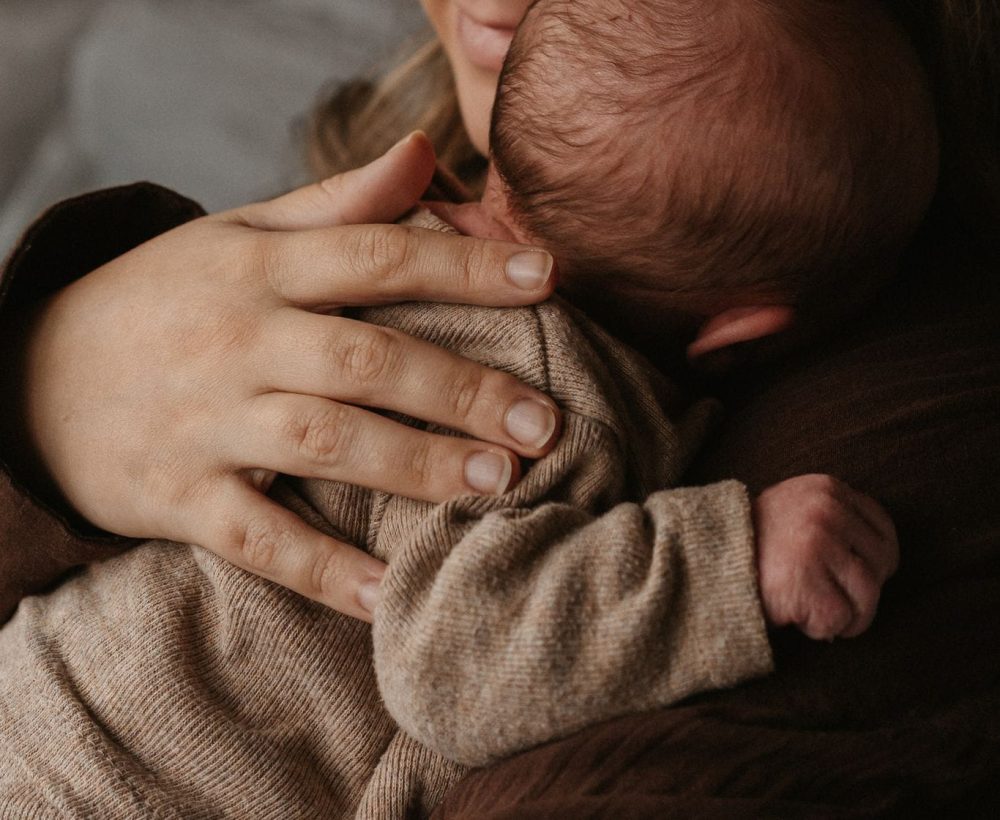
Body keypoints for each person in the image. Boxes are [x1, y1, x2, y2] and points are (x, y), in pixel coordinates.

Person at [0, 0, 929, 815]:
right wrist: (733, 562)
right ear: (744, 333)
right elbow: (450, 666)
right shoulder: (557, 401)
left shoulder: (382, 236)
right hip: (109, 785)